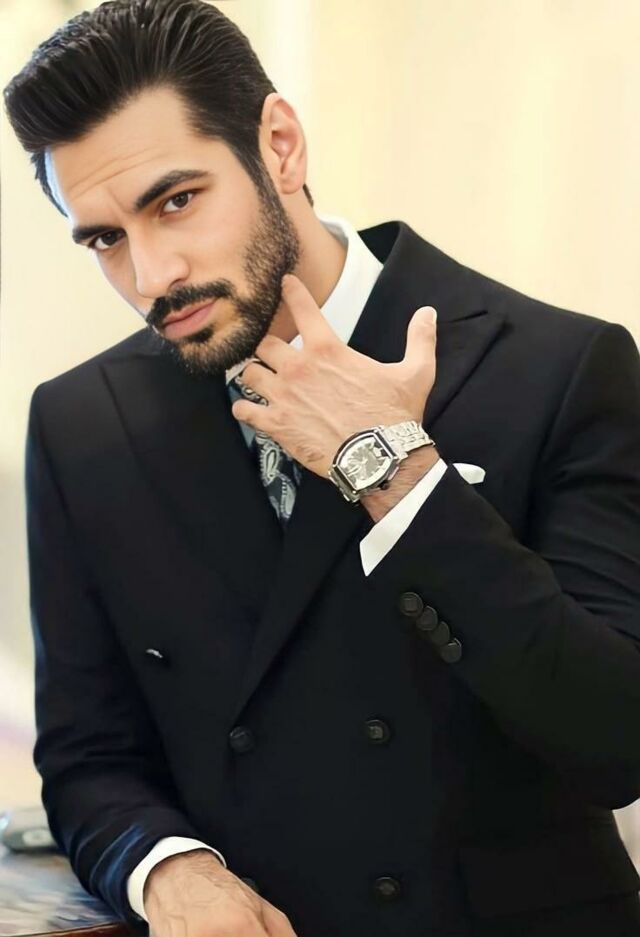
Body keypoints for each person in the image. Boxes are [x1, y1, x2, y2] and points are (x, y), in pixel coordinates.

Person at [4, 1, 640, 935]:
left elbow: (617, 740)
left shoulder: (560, 368)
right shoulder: (82, 424)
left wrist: (397, 474)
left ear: (280, 146)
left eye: (175, 201)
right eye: (104, 237)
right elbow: (89, 756)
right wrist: (167, 870)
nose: (150, 274)